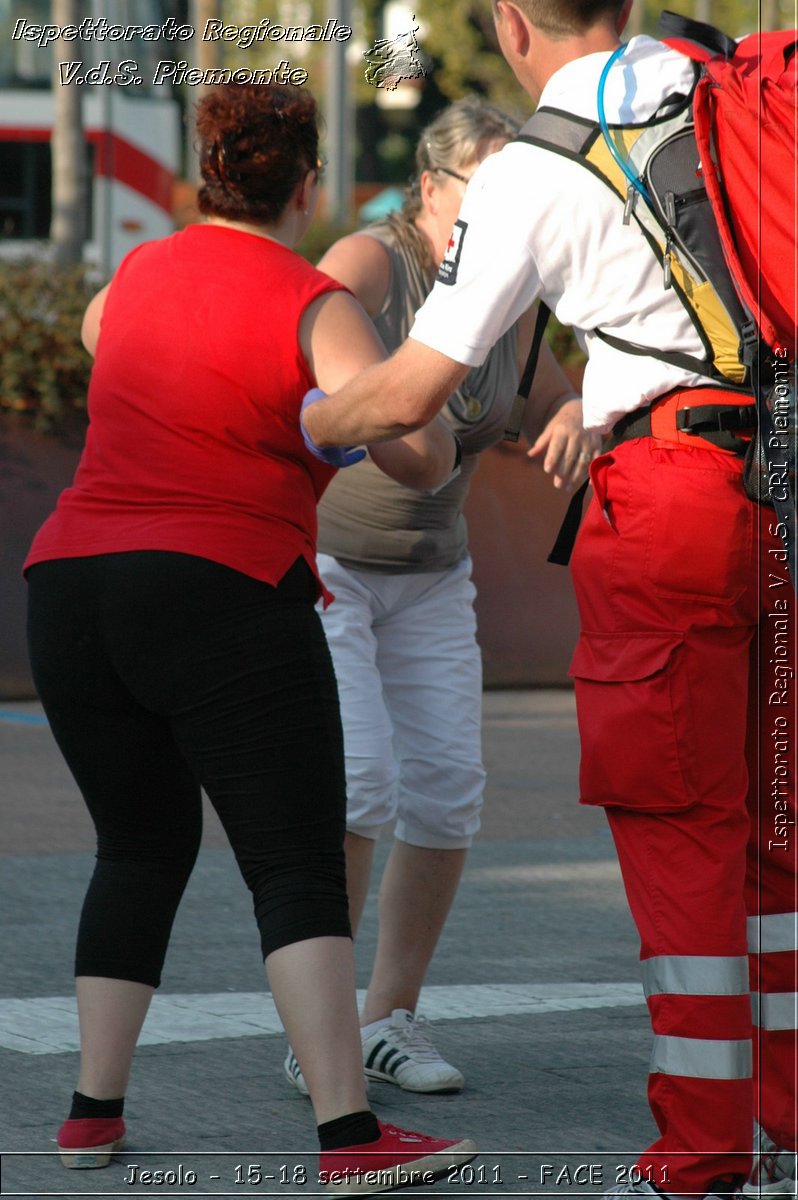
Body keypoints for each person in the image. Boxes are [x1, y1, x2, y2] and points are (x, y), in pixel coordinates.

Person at [300, 6, 797, 1198]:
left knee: (681, 825)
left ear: (514, 23)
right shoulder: (728, 88)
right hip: (787, 482)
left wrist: (306, 420)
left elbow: (420, 381)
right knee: (781, 824)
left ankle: (702, 1154)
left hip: (673, 499)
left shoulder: (533, 164)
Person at [24, 82, 477, 1193]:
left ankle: (92, 1112)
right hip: (221, 588)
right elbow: (402, 441)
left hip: (71, 586)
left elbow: (98, 338)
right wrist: (381, 438)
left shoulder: (138, 273)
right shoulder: (315, 298)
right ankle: (349, 1139)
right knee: (292, 862)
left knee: (136, 847)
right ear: (309, 185)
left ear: (206, 176)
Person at [283, 96, 599, 1099]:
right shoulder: (375, 262)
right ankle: (319, 1033)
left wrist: (587, 408)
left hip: (432, 574)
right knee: (362, 784)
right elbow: (287, 343)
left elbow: (561, 396)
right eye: (488, 186)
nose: (513, 209)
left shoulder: (511, 293)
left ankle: (389, 1017)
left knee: (449, 791)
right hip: (328, 562)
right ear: (431, 189)